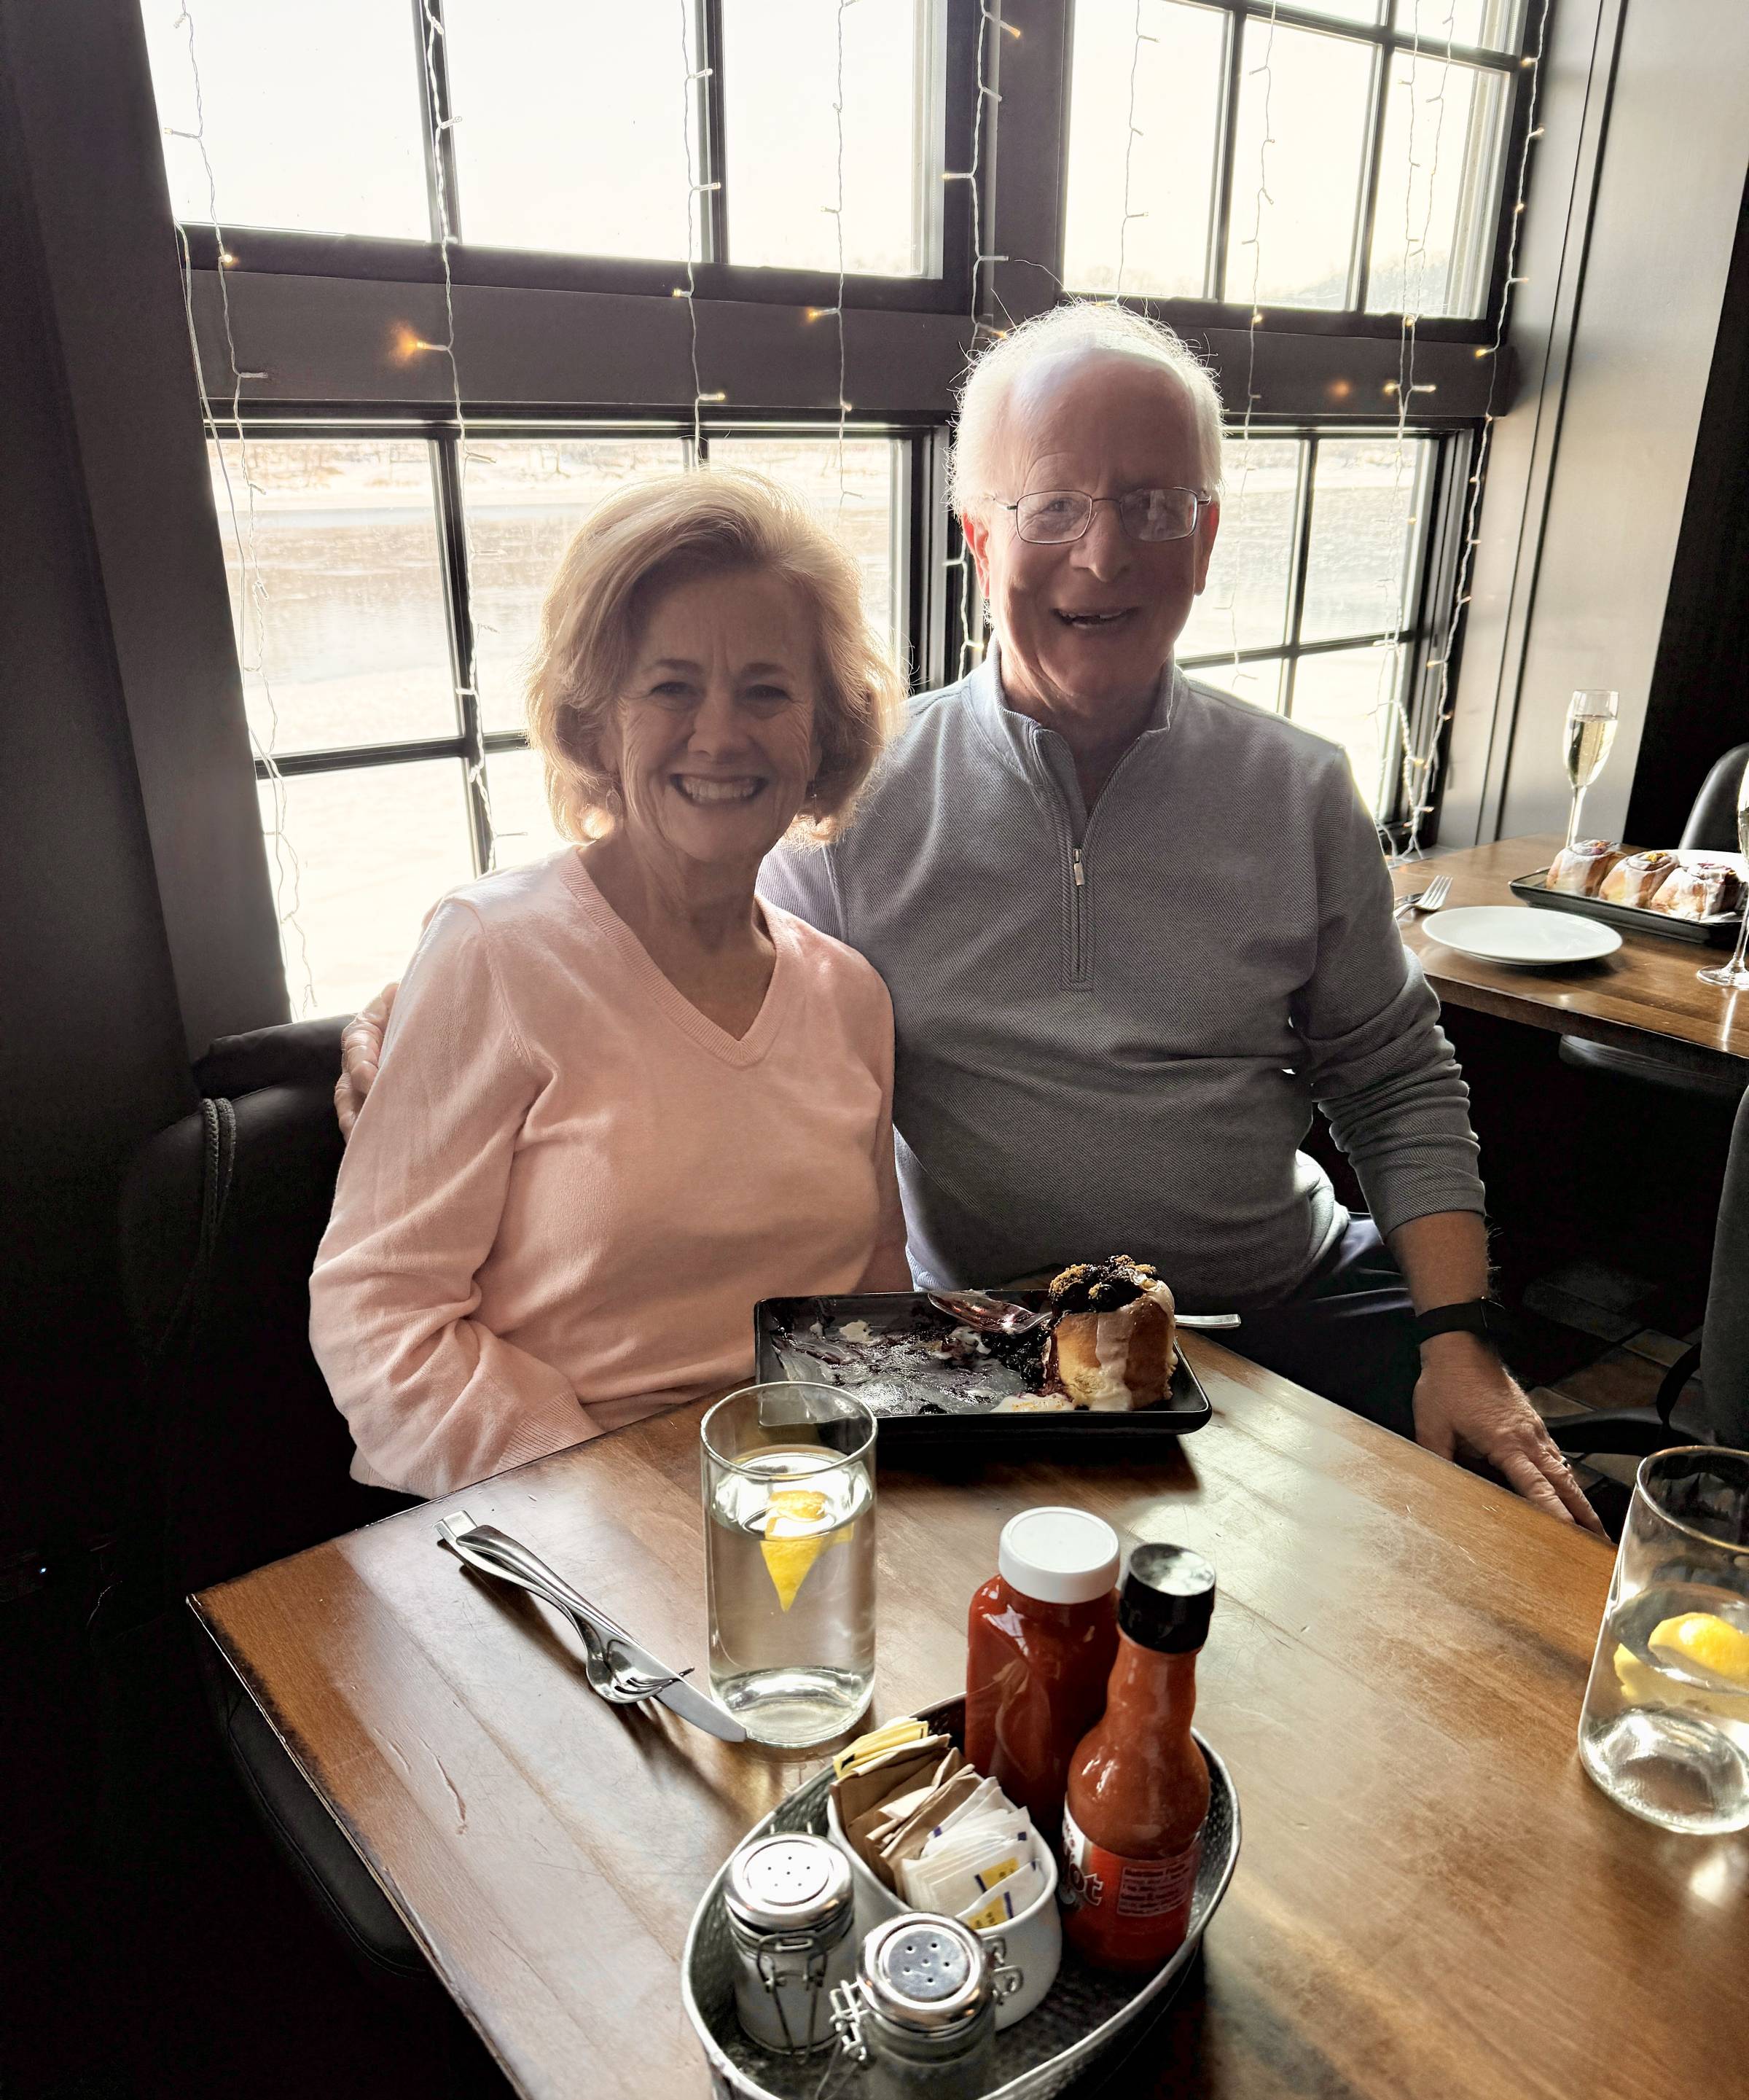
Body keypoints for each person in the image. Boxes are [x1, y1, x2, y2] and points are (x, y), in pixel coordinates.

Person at [338, 305, 1600, 1534]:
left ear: (1207, 538)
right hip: (997, 1342)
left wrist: (1459, 1337)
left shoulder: (1300, 787)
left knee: (1515, 1571)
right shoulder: (856, 808)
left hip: (1289, 1299)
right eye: (1052, 506)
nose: (1103, 556)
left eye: (1153, 507)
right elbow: (651, 946)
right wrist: (429, 1008)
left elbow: (1396, 1073)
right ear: (978, 541)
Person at [310, 472, 909, 1499]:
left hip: (795, 1510)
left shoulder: (852, 996)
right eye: (670, 686)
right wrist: (614, 1508)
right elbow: (378, 1316)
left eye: (767, 690)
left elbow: (875, 1294)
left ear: (824, 735)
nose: (720, 735)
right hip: (546, 1524)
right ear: (594, 726)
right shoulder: (492, 954)